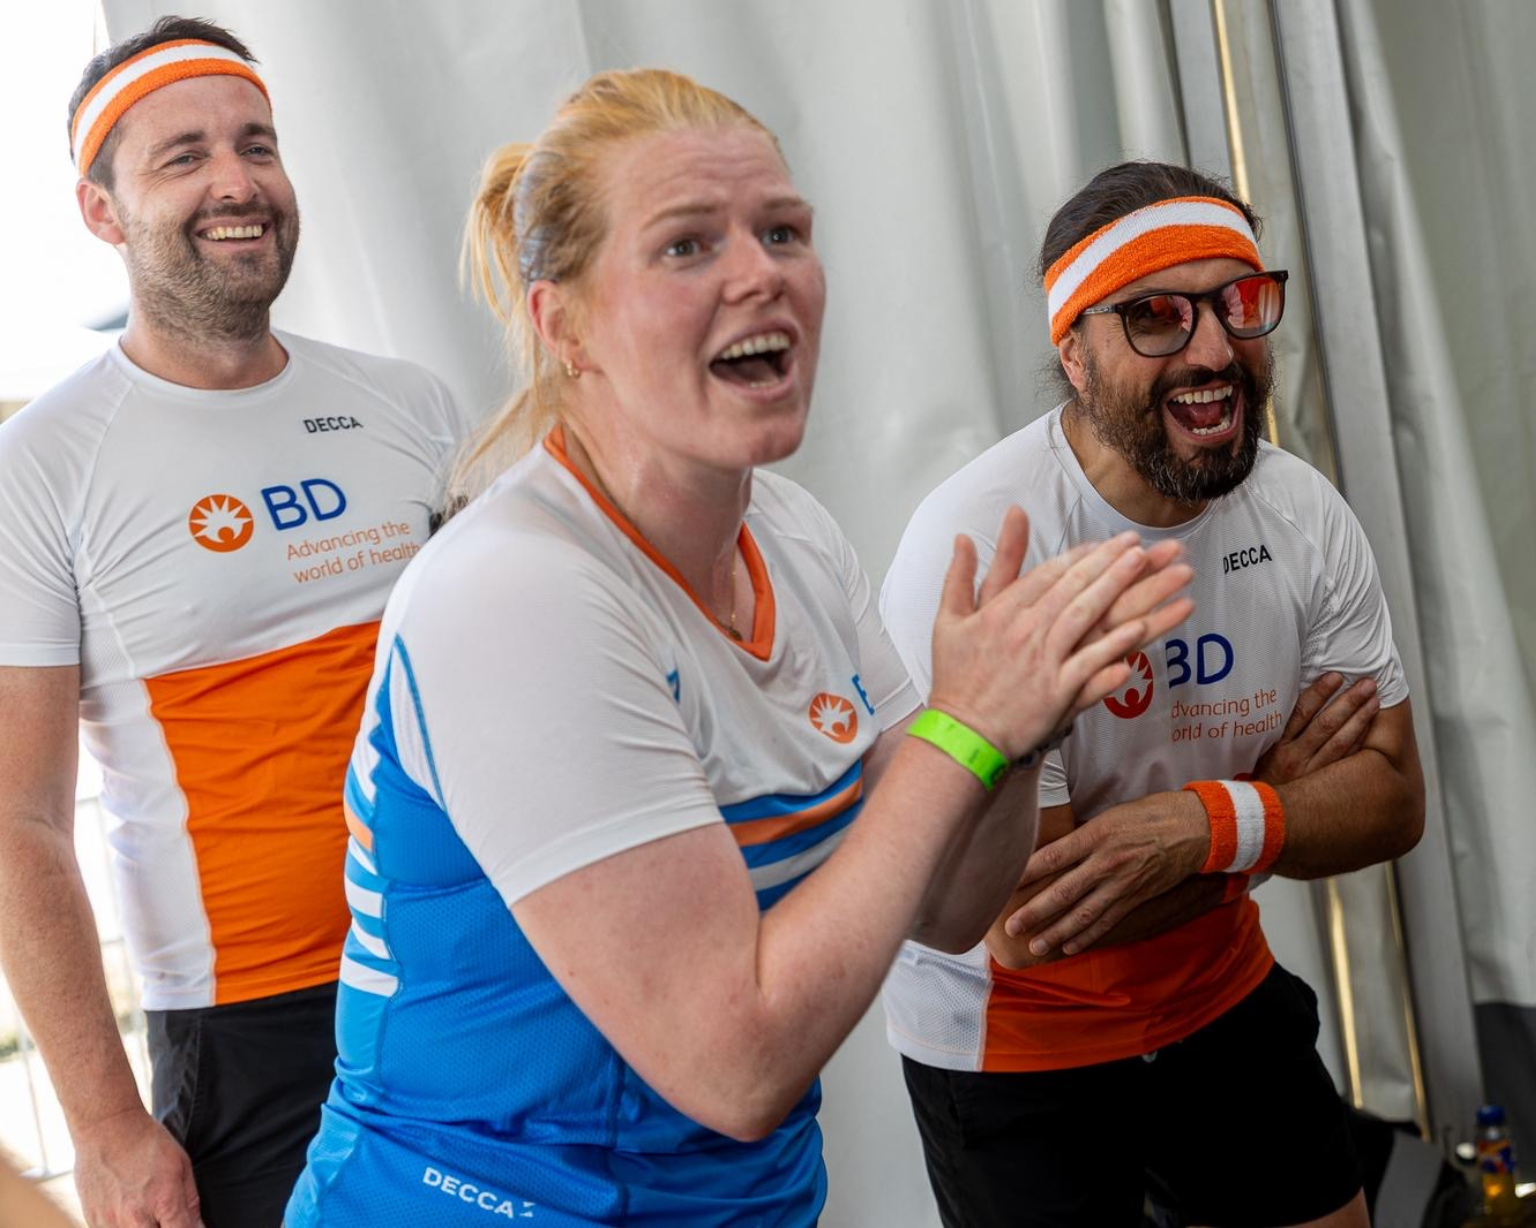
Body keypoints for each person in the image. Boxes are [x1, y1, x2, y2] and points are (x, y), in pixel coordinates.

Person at [282, 70, 1194, 1226]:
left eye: (781, 231)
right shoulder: (515, 595)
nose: (761, 271)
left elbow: (954, 907)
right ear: (561, 325)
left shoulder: (792, 536)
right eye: (686, 246)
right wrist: (962, 726)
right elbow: (737, 1065)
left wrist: (1023, 725)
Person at [879, 160, 1426, 1228]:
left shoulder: (1301, 514)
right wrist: (1277, 806)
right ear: (1074, 354)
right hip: (1013, 1038)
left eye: (1239, 301)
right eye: (1157, 317)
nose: (1215, 348)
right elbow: (1031, 920)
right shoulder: (989, 546)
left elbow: (1395, 800)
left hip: (1217, 991)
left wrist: (1203, 823)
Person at [0, 17, 465, 1228]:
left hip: (489, 958)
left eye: (256, 143)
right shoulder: (40, 466)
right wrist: (105, 1129)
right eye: (182, 155)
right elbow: (21, 823)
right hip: (258, 1025)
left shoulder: (405, 403)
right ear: (102, 212)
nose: (236, 181)